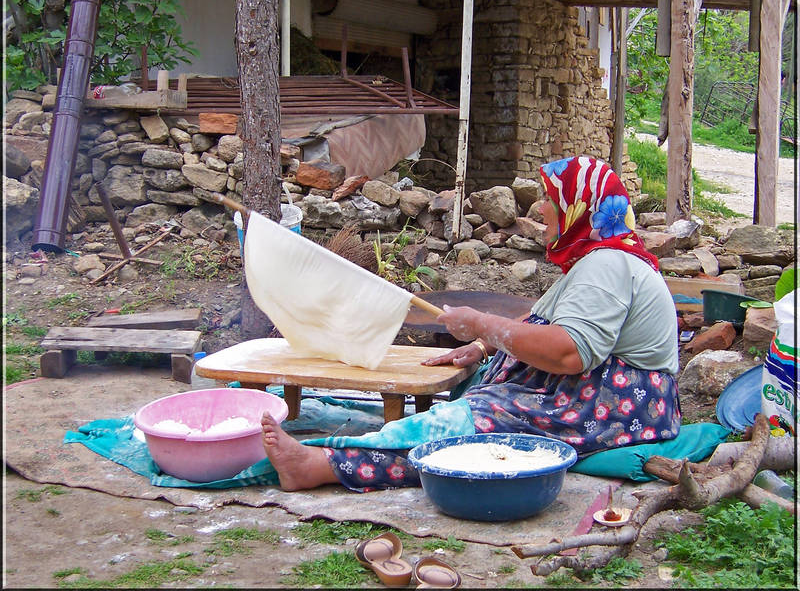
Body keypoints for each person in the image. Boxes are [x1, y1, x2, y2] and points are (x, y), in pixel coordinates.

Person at [261, 156, 681, 492]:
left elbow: (569, 352)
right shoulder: (598, 261)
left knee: (470, 426)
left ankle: (321, 463)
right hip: (597, 398)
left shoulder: (607, 265)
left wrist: (481, 323)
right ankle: (340, 460)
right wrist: (484, 347)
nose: (540, 209)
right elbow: (544, 318)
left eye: (552, 200)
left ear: (579, 207)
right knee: (471, 417)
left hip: (610, 406)